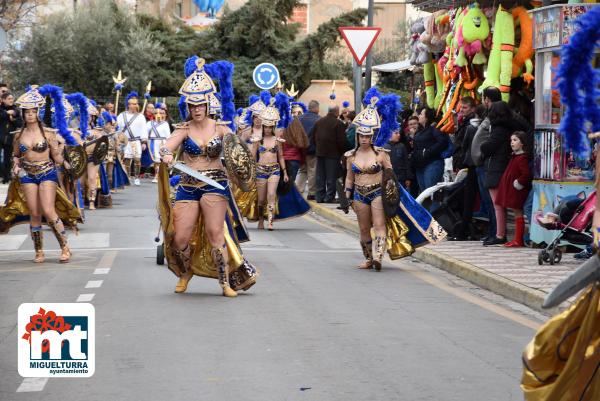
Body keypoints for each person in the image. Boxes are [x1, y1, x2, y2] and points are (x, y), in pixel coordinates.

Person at [158, 56, 258, 297]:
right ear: (188, 107)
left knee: (215, 235)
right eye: (192, 106)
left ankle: (224, 282)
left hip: (215, 185)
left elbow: (238, 155)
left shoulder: (222, 128)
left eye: (200, 105)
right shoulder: (183, 129)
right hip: (188, 186)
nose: (197, 110)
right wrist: (165, 154)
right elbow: (166, 146)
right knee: (180, 238)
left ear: (207, 104)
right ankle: (186, 272)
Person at [343, 88, 447, 271]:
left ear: (373, 135)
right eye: (362, 135)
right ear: (358, 136)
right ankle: (368, 258)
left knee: (380, 224)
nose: (365, 139)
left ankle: (378, 257)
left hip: (377, 193)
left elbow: (391, 177)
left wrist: (392, 196)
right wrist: (347, 197)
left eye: (368, 135)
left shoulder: (382, 154)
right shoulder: (350, 156)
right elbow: (349, 178)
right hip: (359, 195)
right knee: (364, 229)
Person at [0, 84, 81, 263]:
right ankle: (39, 251)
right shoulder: (17, 135)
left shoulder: (49, 134)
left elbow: (57, 157)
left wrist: (69, 163)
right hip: (27, 174)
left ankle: (65, 247)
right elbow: (15, 155)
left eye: (33, 111)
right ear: (23, 114)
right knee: (35, 213)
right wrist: (15, 165)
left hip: (47, 172)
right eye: (27, 112)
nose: (30, 114)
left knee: (48, 210)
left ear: (38, 113)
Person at [481, 101, 516, 246]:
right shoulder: (509, 127)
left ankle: (500, 234)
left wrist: (483, 145)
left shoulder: (498, 130)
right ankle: (500, 233)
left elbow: (489, 147)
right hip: (501, 166)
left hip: (496, 167)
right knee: (500, 204)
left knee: (497, 204)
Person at [451, 105, 485, 240]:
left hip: (472, 163)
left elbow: (463, 146)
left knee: (470, 198)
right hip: (477, 164)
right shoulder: (475, 126)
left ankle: (464, 230)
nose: (461, 110)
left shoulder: (471, 127)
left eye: (465, 107)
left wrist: (460, 162)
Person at [494, 131, 532, 247]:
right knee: (517, 214)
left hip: (517, 191)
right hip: (514, 190)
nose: (512, 143)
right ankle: (517, 239)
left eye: (515, 140)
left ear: (522, 143)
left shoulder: (521, 158)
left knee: (518, 213)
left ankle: (518, 240)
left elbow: (526, 174)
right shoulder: (515, 157)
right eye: (511, 140)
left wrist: (519, 182)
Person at [312, 105, 346, 203]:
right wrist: (342, 152)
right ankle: (329, 197)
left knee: (320, 176)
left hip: (320, 152)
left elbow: (314, 137)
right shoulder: (338, 124)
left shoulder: (319, 122)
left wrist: (317, 148)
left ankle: (319, 197)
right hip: (333, 154)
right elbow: (341, 141)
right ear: (336, 112)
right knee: (331, 177)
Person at [411, 107, 449, 194]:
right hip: (420, 166)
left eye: (421, 114)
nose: (419, 116)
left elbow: (443, 142)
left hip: (432, 164)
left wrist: (427, 152)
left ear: (427, 117)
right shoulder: (420, 130)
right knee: (424, 195)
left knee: (432, 194)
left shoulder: (435, 128)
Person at [116, 91, 147, 186]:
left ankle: (137, 177)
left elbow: (143, 129)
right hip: (125, 142)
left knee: (137, 159)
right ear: (129, 105)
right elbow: (118, 129)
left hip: (136, 141)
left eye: (137, 103)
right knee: (127, 160)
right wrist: (118, 139)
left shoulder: (141, 116)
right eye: (134, 104)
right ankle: (127, 177)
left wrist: (144, 141)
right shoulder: (121, 116)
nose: (136, 105)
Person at [296, 100, 320, 200]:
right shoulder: (319, 119)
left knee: (302, 170)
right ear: (316, 108)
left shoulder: (299, 118)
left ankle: (298, 191)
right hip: (313, 150)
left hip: (301, 150)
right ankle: (312, 193)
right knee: (312, 170)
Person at [281, 101, 309, 183]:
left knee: (285, 183)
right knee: (291, 183)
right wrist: (303, 160)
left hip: (283, 160)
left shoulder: (281, 130)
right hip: (294, 160)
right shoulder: (297, 130)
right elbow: (302, 146)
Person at [0, 92, 23, 183]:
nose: (11, 100)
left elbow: (20, 123)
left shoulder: (16, 110)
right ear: (3, 100)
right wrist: (6, 113)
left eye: (12, 99)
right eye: (9, 99)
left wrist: (13, 119)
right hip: (0, 137)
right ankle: (2, 175)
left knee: (7, 159)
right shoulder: (1, 109)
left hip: (10, 139)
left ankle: (7, 177)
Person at [146, 106, 171, 183]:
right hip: (152, 142)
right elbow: (145, 133)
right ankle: (157, 174)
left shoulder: (165, 124)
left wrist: (168, 145)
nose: (158, 114)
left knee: (160, 159)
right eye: (156, 113)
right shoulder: (149, 123)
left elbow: (168, 136)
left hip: (161, 142)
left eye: (160, 113)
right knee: (155, 160)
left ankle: (158, 176)